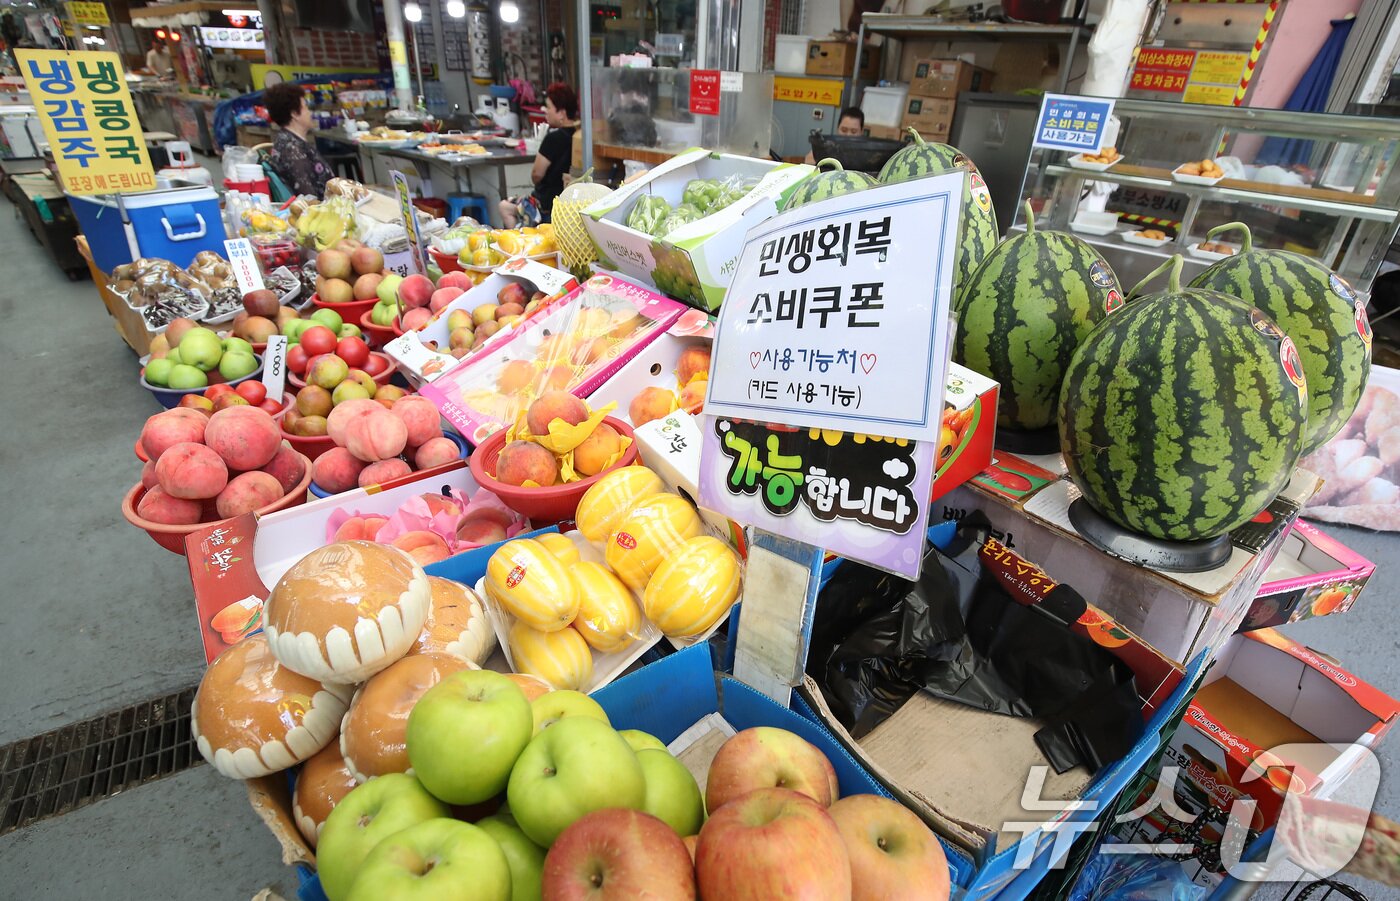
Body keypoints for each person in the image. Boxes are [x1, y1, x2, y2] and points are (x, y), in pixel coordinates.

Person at [499, 82, 579, 228]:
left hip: (544, 206)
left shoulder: (553, 138)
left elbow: (537, 174)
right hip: (566, 205)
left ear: (561, 113)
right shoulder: (580, 136)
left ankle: (518, 243)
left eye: (548, 107)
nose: (544, 111)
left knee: (504, 206)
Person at [265, 82, 332, 199]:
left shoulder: (287, 140)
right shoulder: (292, 150)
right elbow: (309, 199)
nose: (310, 113)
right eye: (306, 107)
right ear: (295, 114)